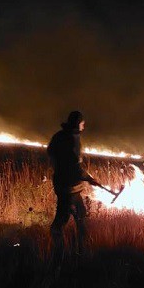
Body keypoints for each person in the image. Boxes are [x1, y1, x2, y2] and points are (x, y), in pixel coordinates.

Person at [46, 110, 99, 259]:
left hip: (63, 184)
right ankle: (60, 251)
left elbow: (50, 152)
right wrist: (89, 178)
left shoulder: (59, 135)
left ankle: (80, 248)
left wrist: (59, 167)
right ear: (78, 123)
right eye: (82, 123)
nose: (84, 125)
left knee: (81, 215)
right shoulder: (73, 139)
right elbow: (75, 165)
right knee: (63, 219)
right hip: (70, 187)